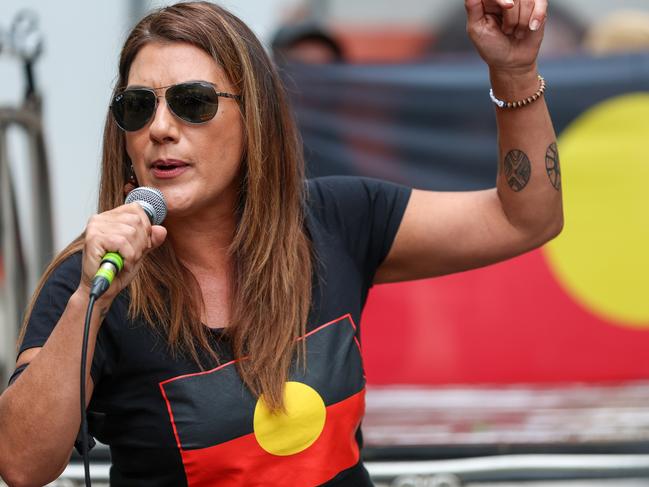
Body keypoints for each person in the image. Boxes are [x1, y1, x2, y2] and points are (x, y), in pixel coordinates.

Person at [0, 1, 561, 486]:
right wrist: (86, 305)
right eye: (138, 107)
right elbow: (22, 465)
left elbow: (526, 219)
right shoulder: (90, 280)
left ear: (256, 117)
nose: (161, 128)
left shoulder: (337, 218)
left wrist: (514, 71)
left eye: (193, 103)